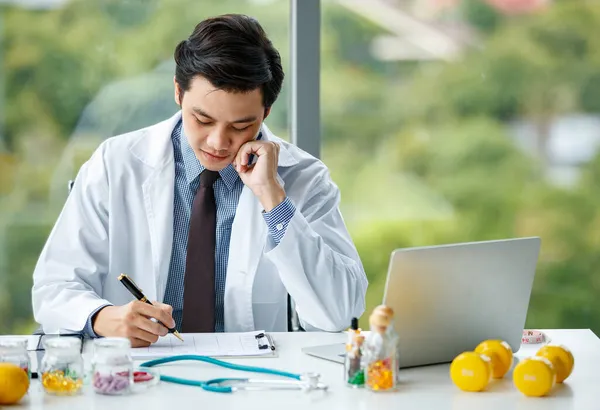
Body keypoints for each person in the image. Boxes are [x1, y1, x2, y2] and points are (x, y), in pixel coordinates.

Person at [31, 14, 368, 347]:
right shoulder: (115, 163)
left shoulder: (302, 177)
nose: (218, 142)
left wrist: (273, 198)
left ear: (265, 112)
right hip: (139, 371)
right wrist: (105, 317)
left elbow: (338, 313)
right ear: (179, 93)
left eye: (240, 126)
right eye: (202, 119)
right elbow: (54, 287)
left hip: (253, 379)